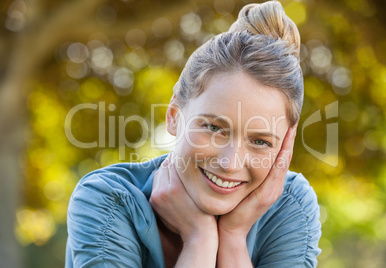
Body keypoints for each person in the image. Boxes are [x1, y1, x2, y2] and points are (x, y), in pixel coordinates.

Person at [65, 1, 322, 267]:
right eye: (213, 128)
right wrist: (199, 239)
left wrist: (232, 238)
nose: (230, 163)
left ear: (284, 148)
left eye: (260, 141)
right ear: (174, 115)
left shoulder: (291, 207)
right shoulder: (107, 200)